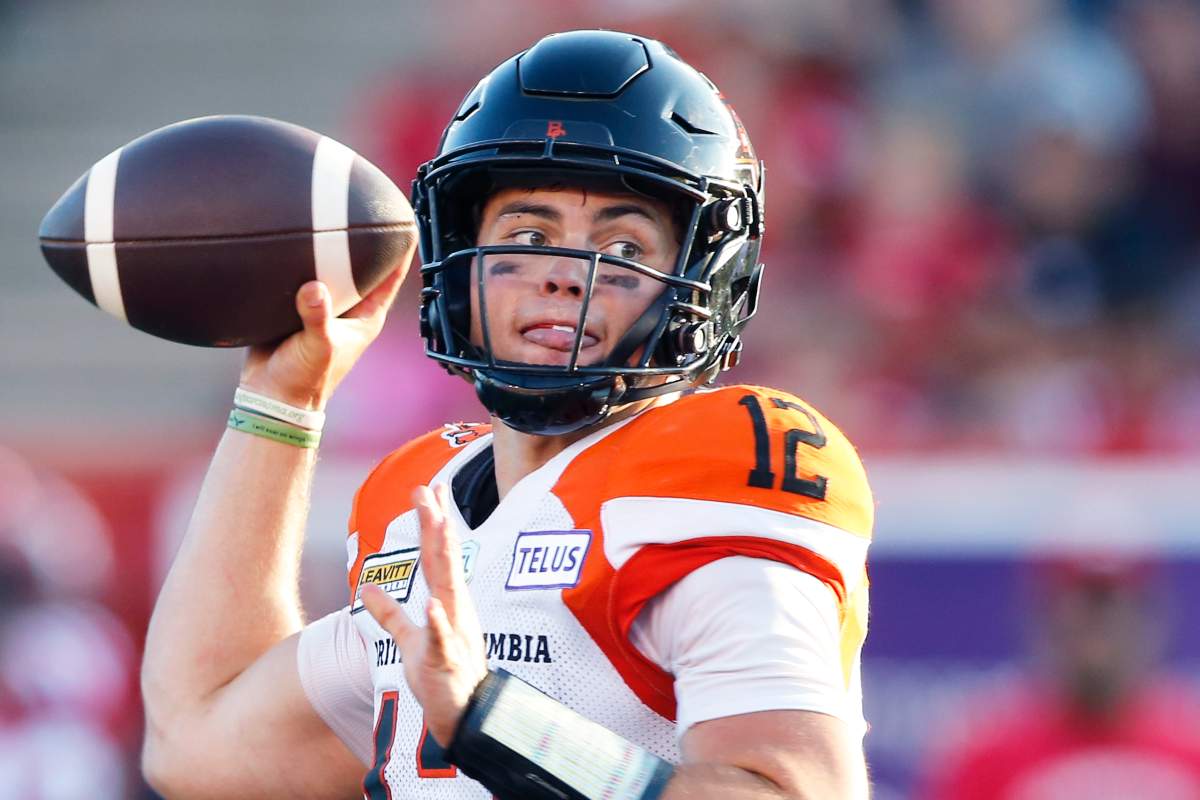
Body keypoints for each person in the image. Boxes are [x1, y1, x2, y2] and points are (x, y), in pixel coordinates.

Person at [140, 30, 874, 800]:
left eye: (623, 245)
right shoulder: (417, 502)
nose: (563, 274)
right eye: (529, 234)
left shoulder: (709, 477)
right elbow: (197, 743)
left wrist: (499, 719)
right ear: (463, 259)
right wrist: (282, 401)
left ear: (699, 279)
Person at [919, 555, 1200, 799]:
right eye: (1083, 608)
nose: (1100, 626)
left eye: (1113, 606)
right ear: (1045, 617)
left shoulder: (1191, 745)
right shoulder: (986, 754)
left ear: (1152, 616)